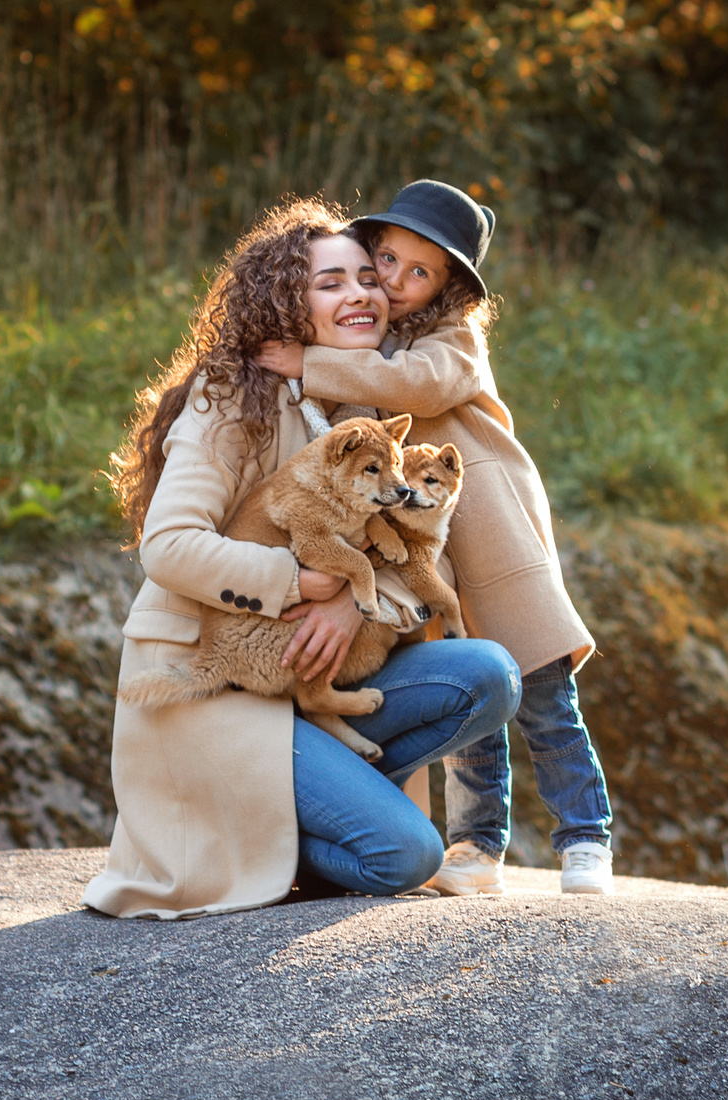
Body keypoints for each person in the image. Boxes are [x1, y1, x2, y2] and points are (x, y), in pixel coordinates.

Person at [85, 197, 521, 918]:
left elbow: (387, 545)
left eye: (366, 278)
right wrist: (300, 584)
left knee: (489, 676)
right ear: (289, 301)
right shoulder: (229, 398)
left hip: (306, 687)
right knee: (405, 855)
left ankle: (335, 795)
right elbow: (168, 544)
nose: (359, 293)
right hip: (223, 691)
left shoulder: (368, 409)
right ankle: (265, 835)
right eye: (330, 282)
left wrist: (351, 598)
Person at [257, 180, 614, 897]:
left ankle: (585, 836)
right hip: (429, 556)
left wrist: (310, 364)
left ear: (449, 288)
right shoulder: (365, 341)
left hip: (497, 540)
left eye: (418, 272)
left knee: (544, 694)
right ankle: (478, 847)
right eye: (385, 259)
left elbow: (418, 388)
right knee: (476, 706)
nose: (393, 280)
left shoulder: (455, 342)